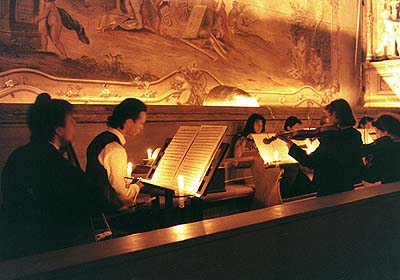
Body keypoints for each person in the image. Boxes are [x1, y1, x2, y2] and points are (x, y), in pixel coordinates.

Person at [1, 95, 97, 258]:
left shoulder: (18, 155)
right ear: (58, 129)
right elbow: (91, 198)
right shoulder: (58, 164)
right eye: (71, 119)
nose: (75, 124)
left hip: (15, 244)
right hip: (54, 248)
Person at [279, 99, 363, 197]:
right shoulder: (355, 135)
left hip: (329, 188)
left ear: (335, 115)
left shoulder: (333, 138)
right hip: (347, 185)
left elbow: (310, 161)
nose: (327, 121)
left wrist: (289, 143)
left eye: (328, 116)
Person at [86, 98, 147, 211]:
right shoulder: (115, 149)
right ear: (129, 122)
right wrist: (137, 186)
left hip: (96, 203)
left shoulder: (100, 138)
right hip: (109, 212)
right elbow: (122, 195)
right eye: (141, 123)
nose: (142, 128)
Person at [361, 114, 400, 184]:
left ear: (385, 131)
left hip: (390, 190)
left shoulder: (385, 148)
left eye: (377, 132)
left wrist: (363, 162)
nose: (377, 136)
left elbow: (371, 177)